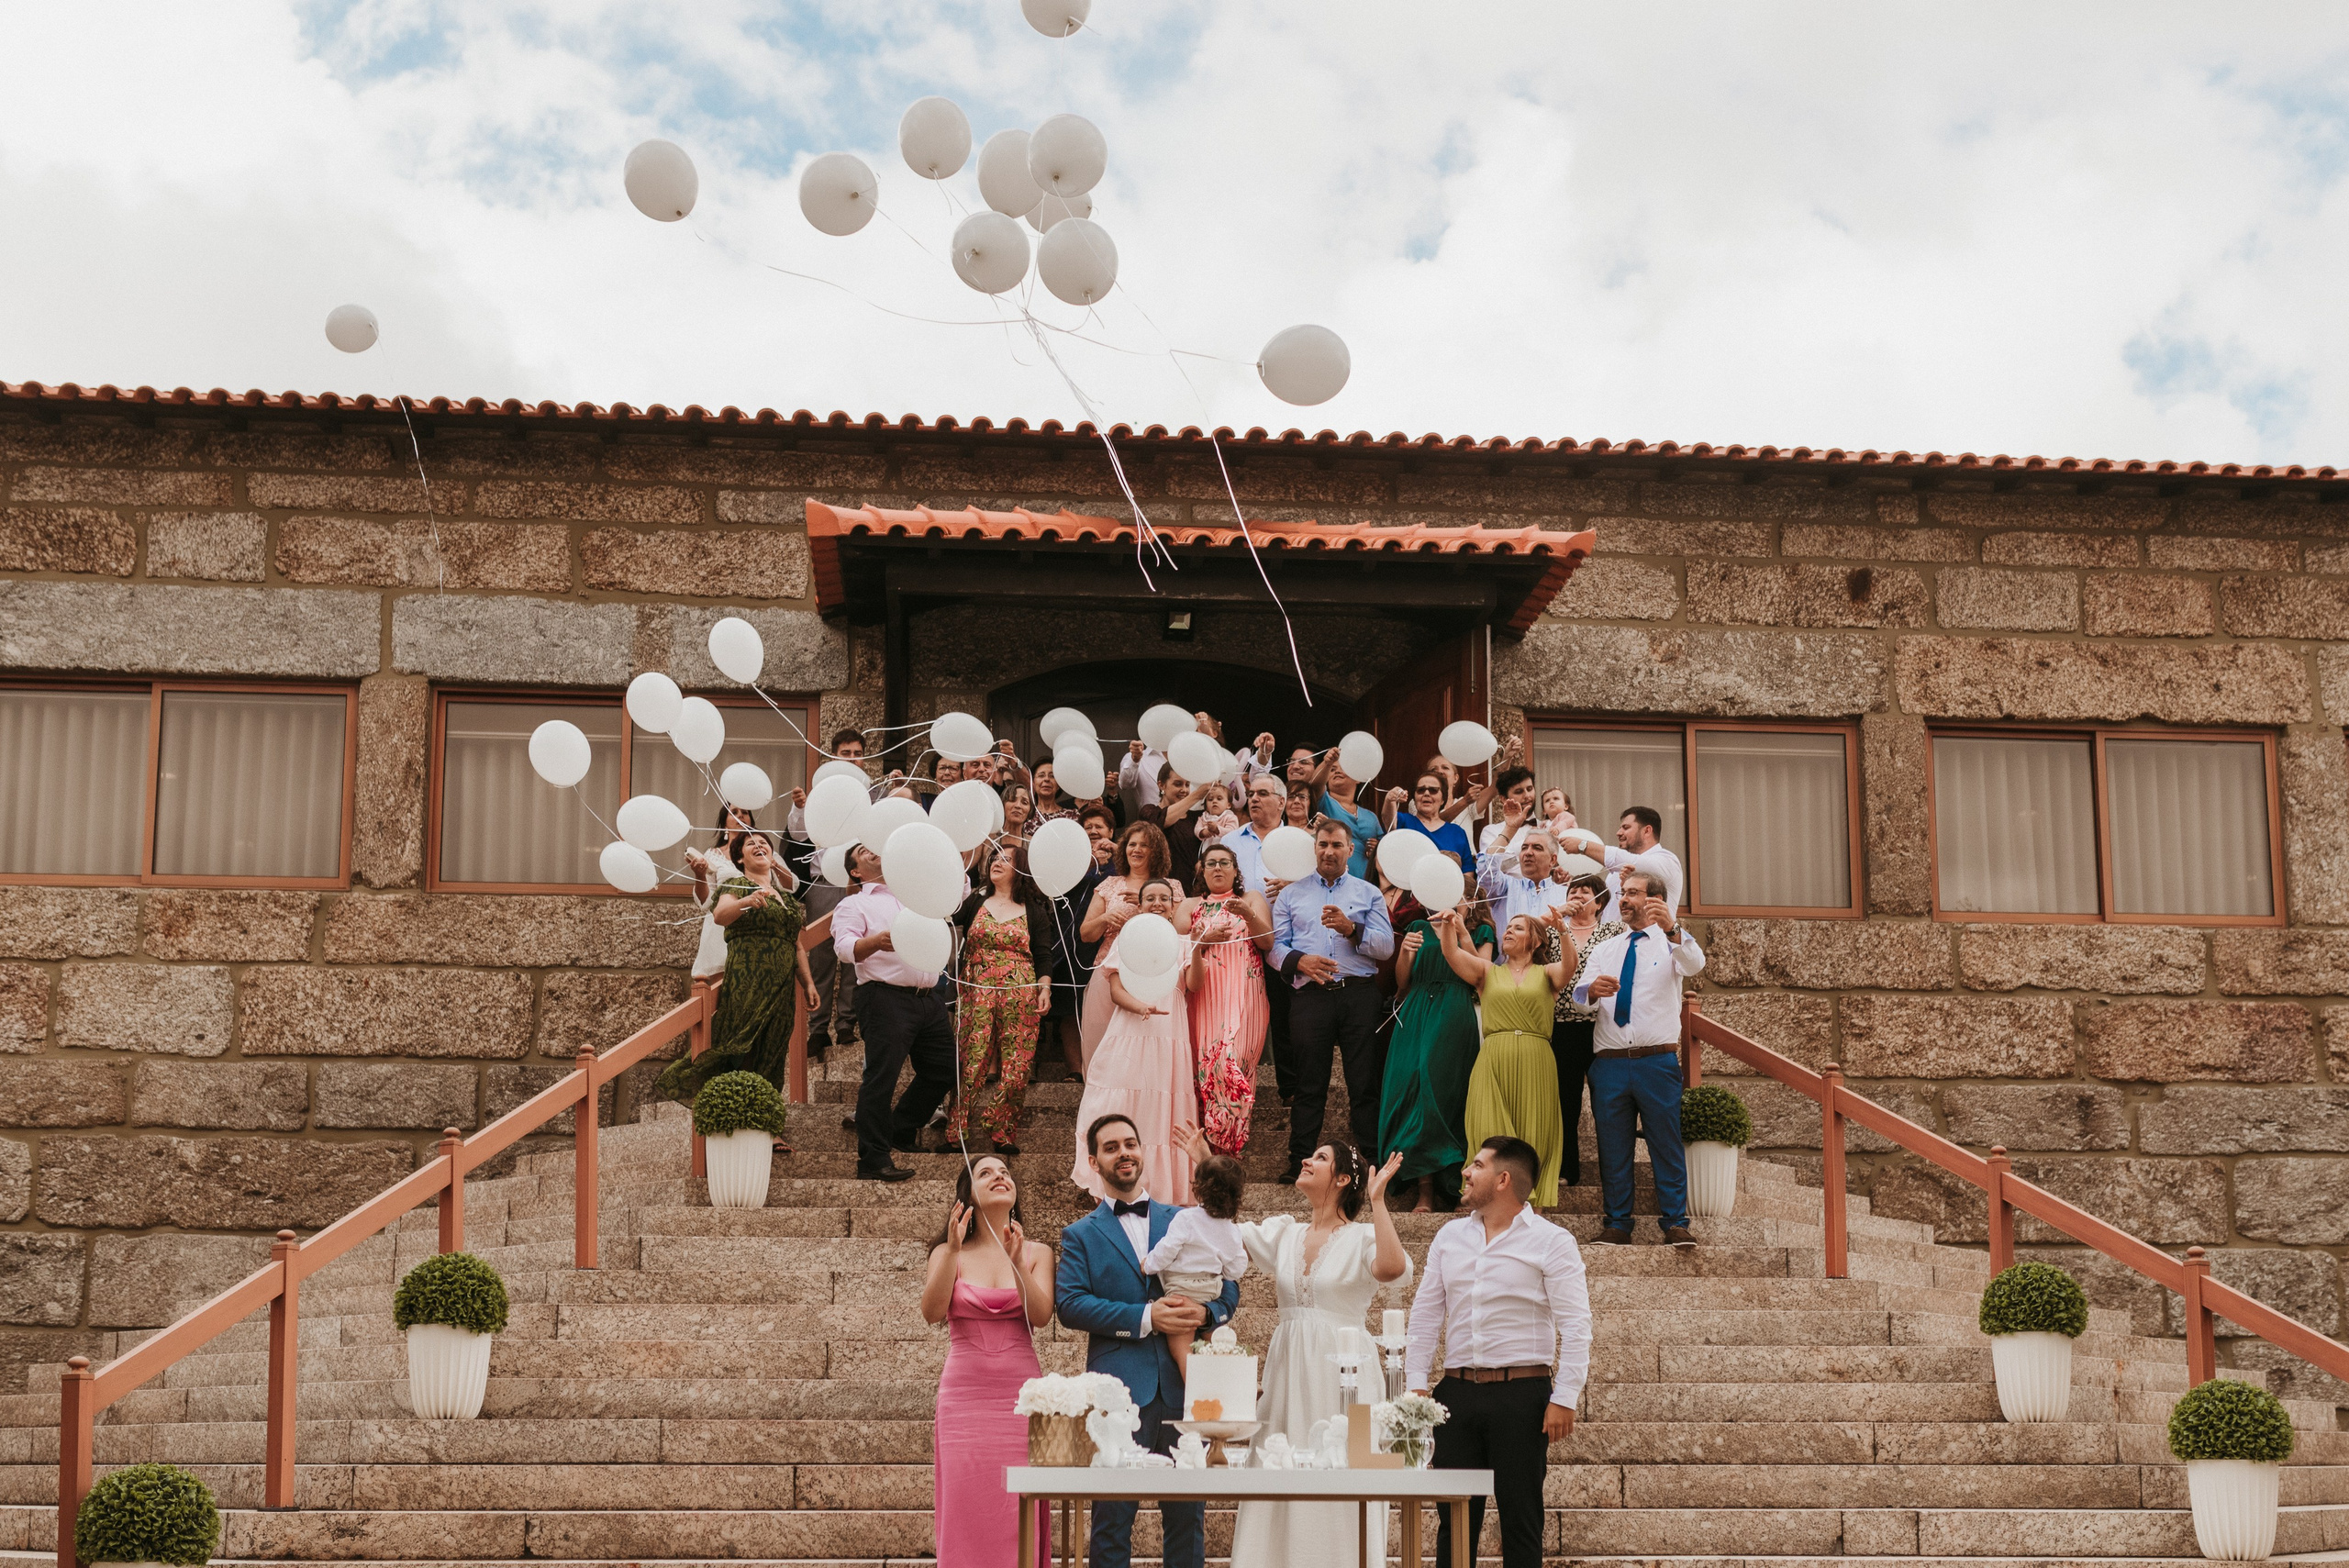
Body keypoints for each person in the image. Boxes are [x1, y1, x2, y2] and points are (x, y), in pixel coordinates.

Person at [1184, 1127, 1408, 1568]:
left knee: (1352, 1468)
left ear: (1343, 1179)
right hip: (1288, 1370)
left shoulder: (1363, 1237)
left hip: (1353, 1375)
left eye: (1320, 1157)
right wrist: (1204, 1160)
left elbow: (1390, 1268)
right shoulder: (1284, 1233)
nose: (1306, 1160)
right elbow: (1221, 1226)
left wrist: (1379, 1202)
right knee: (1277, 1465)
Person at [1057, 1115, 1238, 1568]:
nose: (1125, 1153)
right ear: (1094, 1161)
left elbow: (1230, 1278)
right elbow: (1071, 1304)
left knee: (1186, 1524)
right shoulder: (1080, 1234)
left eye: (1131, 1144)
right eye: (1112, 1147)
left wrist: (1208, 1312)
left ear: (1143, 1152)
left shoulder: (1187, 1217)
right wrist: (1144, 1317)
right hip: (1118, 1396)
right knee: (1112, 1522)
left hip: (1184, 1390)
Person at [1407, 1137, 1592, 1568]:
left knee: (1521, 1519)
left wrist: (1565, 1396)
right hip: (1455, 1394)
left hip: (1522, 1395)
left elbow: (1576, 1323)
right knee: (1454, 1524)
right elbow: (1426, 1316)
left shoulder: (1553, 1241)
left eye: (1477, 1165)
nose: (1465, 1173)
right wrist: (1416, 1386)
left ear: (1504, 1179)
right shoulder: (1449, 1235)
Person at [923, 1153, 1054, 1568]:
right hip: (964, 1399)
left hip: (1020, 1398)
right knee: (966, 1508)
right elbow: (932, 1311)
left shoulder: (1038, 1251)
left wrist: (1017, 1264)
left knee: (1019, 1508)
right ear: (969, 1195)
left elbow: (1041, 1315)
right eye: (986, 1173)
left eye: (1005, 1172)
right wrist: (952, 1250)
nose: (1000, 1176)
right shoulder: (948, 1251)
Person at [1573, 867, 1704, 1247]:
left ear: (1655, 900)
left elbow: (1696, 965)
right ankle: (1617, 1224)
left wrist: (1674, 929)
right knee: (1612, 1148)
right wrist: (1592, 993)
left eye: (1633, 892)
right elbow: (1581, 1004)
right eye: (1623, 893)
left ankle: (1676, 1222)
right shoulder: (1605, 948)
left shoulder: (1672, 943)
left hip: (1656, 1063)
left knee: (1665, 1141)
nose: (1624, 899)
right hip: (1610, 1063)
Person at [1269, 821, 1395, 1182]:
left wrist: (1351, 930)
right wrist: (1300, 961)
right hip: (1311, 996)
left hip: (1358, 994)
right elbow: (1275, 947)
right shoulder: (1291, 895)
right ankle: (1300, 1163)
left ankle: (1371, 1162)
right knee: (1309, 1084)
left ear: (1350, 850)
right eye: (1323, 844)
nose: (1329, 851)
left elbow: (1385, 948)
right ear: (1314, 848)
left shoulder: (1369, 892)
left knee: (1364, 1082)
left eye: (1337, 845)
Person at [1071, 877, 1208, 1204]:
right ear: (1141, 904)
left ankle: (1160, 1187)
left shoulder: (1183, 941)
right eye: (1150, 898)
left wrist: (1199, 945)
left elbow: (1194, 984)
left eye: (1164, 898)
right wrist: (1141, 1006)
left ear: (1174, 906)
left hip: (1169, 1035)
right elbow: (1117, 991)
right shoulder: (1126, 938)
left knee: (1161, 1105)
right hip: (1131, 1029)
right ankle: (1107, 1176)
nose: (1157, 903)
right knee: (1116, 1097)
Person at [656, 828, 816, 1107]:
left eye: (764, 843)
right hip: (748, 981)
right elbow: (720, 915)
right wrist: (746, 902)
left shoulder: (787, 900)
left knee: (772, 1051)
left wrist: (809, 983)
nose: (759, 845)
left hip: (781, 990)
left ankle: (766, 1123)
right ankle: (730, 1110)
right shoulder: (737, 886)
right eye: (750, 844)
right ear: (740, 858)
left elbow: (798, 945)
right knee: (740, 1045)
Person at [832, 840, 958, 1182]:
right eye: (863, 850)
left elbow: (956, 894)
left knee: (945, 1068)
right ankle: (872, 1159)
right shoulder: (854, 904)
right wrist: (877, 941)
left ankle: (901, 1129)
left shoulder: (915, 894)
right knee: (881, 1076)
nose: (873, 849)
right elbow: (844, 948)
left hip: (928, 997)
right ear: (856, 870)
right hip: (884, 997)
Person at [1435, 908, 1572, 1207]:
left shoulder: (1546, 974)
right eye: (1507, 927)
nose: (1508, 931)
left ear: (1535, 941)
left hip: (1537, 1061)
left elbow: (1568, 969)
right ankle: (1487, 1200)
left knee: (1533, 1131)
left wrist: (1563, 931)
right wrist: (1448, 925)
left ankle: (1527, 1210)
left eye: (1518, 928)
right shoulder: (1487, 972)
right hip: (1494, 1059)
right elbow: (1452, 954)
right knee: (1488, 1128)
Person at [1380, 898, 1493, 1212]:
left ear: (1469, 901)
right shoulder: (1417, 927)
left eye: (1455, 896)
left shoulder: (1481, 931)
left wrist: (1461, 934)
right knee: (1412, 1092)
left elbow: (1483, 976)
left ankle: (1457, 1185)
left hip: (1454, 1010)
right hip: (1417, 1009)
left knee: (1444, 1094)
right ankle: (1424, 1189)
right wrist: (1405, 952)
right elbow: (1404, 981)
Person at [950, 846, 1058, 1155]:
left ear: (1020, 868)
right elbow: (943, 915)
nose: (997, 861)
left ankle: (1002, 1129)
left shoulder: (1034, 909)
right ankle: (956, 1130)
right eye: (995, 857)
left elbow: (1043, 954)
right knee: (972, 1059)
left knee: (1018, 1065)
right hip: (977, 989)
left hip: (1020, 989)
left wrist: (1045, 988)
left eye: (1006, 859)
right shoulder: (975, 902)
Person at [1180, 844, 1272, 1155]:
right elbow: (1174, 949)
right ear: (1202, 871)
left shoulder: (1251, 899)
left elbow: (1267, 941)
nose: (1218, 868)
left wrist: (1249, 915)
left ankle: (1229, 1147)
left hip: (1246, 992)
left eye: (1225, 863)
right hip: (1205, 994)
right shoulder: (1190, 905)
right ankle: (1211, 1154)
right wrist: (1200, 942)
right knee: (1206, 1069)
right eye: (1211, 863)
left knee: (1232, 1062)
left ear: (1236, 870)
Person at [1545, 873, 1621, 1189]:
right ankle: (1567, 1169)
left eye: (1585, 891)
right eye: (1573, 890)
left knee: (1607, 1101)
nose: (1577, 895)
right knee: (1566, 1100)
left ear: (1600, 901)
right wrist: (1558, 915)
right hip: (1561, 1027)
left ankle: (1613, 1172)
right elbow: (1526, 931)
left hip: (1601, 1027)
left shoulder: (1612, 931)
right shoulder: (1551, 933)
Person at [1141, 1152, 1247, 1378]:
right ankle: (1228, 1379)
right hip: (1211, 1291)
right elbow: (1236, 1269)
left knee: (1182, 1349)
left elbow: (1167, 1249)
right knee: (1216, 1341)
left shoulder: (1186, 1218)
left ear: (1197, 1188)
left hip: (1181, 1290)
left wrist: (1148, 1265)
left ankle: (1197, 1388)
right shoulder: (1232, 1230)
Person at [1077, 820, 1173, 1067]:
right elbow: (1086, 933)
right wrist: (1105, 918)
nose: (1136, 849)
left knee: (1145, 1042)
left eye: (1144, 845)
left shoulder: (1170, 888)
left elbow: (1179, 931)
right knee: (1103, 1041)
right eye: (1132, 844)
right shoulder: (1110, 885)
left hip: (1153, 972)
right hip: (1109, 970)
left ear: (1157, 851)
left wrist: (1147, 908)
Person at [1571, 805, 1684, 923]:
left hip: (1650, 940)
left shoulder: (1667, 861)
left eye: (1626, 827)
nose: (1618, 833)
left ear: (1647, 831)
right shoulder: (1616, 872)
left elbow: (1631, 862)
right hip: (1613, 940)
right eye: (1620, 828)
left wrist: (1583, 846)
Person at [1476, 824, 1575, 929]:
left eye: (1537, 848)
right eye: (1524, 848)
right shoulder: (1505, 887)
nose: (1528, 852)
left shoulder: (1566, 895)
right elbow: (1486, 870)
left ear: (1552, 860)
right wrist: (1510, 828)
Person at [1305, 751, 1381, 881]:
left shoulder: (1371, 816)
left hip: (1367, 882)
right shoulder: (1325, 801)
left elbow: (1385, 847)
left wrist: (1377, 847)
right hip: (1333, 879)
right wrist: (1327, 763)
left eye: (1344, 768)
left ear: (1358, 779)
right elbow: (1315, 786)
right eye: (1333, 770)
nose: (1337, 771)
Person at [1218, 773, 1287, 896]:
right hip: (1237, 914)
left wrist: (1292, 884)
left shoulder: (1294, 841)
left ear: (1281, 802)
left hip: (1284, 914)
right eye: (1250, 794)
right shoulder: (1229, 841)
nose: (1254, 799)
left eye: (1263, 793)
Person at [1390, 771, 1475, 868]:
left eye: (1433, 790)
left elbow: (1467, 871)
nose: (1426, 793)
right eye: (1421, 790)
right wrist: (1390, 800)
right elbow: (1388, 818)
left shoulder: (1457, 832)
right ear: (1415, 798)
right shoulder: (1404, 821)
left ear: (1443, 799)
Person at [1191, 779, 1240, 846]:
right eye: (1210, 799)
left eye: (1219, 799)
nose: (1214, 801)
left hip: (1224, 849)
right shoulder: (1204, 817)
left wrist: (1217, 829)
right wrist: (1203, 832)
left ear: (1228, 805)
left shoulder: (1230, 817)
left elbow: (1232, 832)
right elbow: (1196, 829)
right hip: (1207, 849)